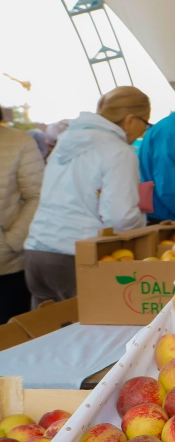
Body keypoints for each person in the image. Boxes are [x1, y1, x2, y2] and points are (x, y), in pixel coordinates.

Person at [23, 87, 151, 305]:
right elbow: (120, 218)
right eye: (145, 123)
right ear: (130, 120)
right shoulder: (119, 151)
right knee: (90, 334)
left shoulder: (65, 142)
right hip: (78, 255)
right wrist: (143, 220)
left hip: (37, 251)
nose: (143, 131)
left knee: (45, 332)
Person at [0, 119, 43, 319]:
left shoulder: (19, 141)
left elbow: (37, 195)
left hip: (7, 265)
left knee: (10, 341)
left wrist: (13, 241)